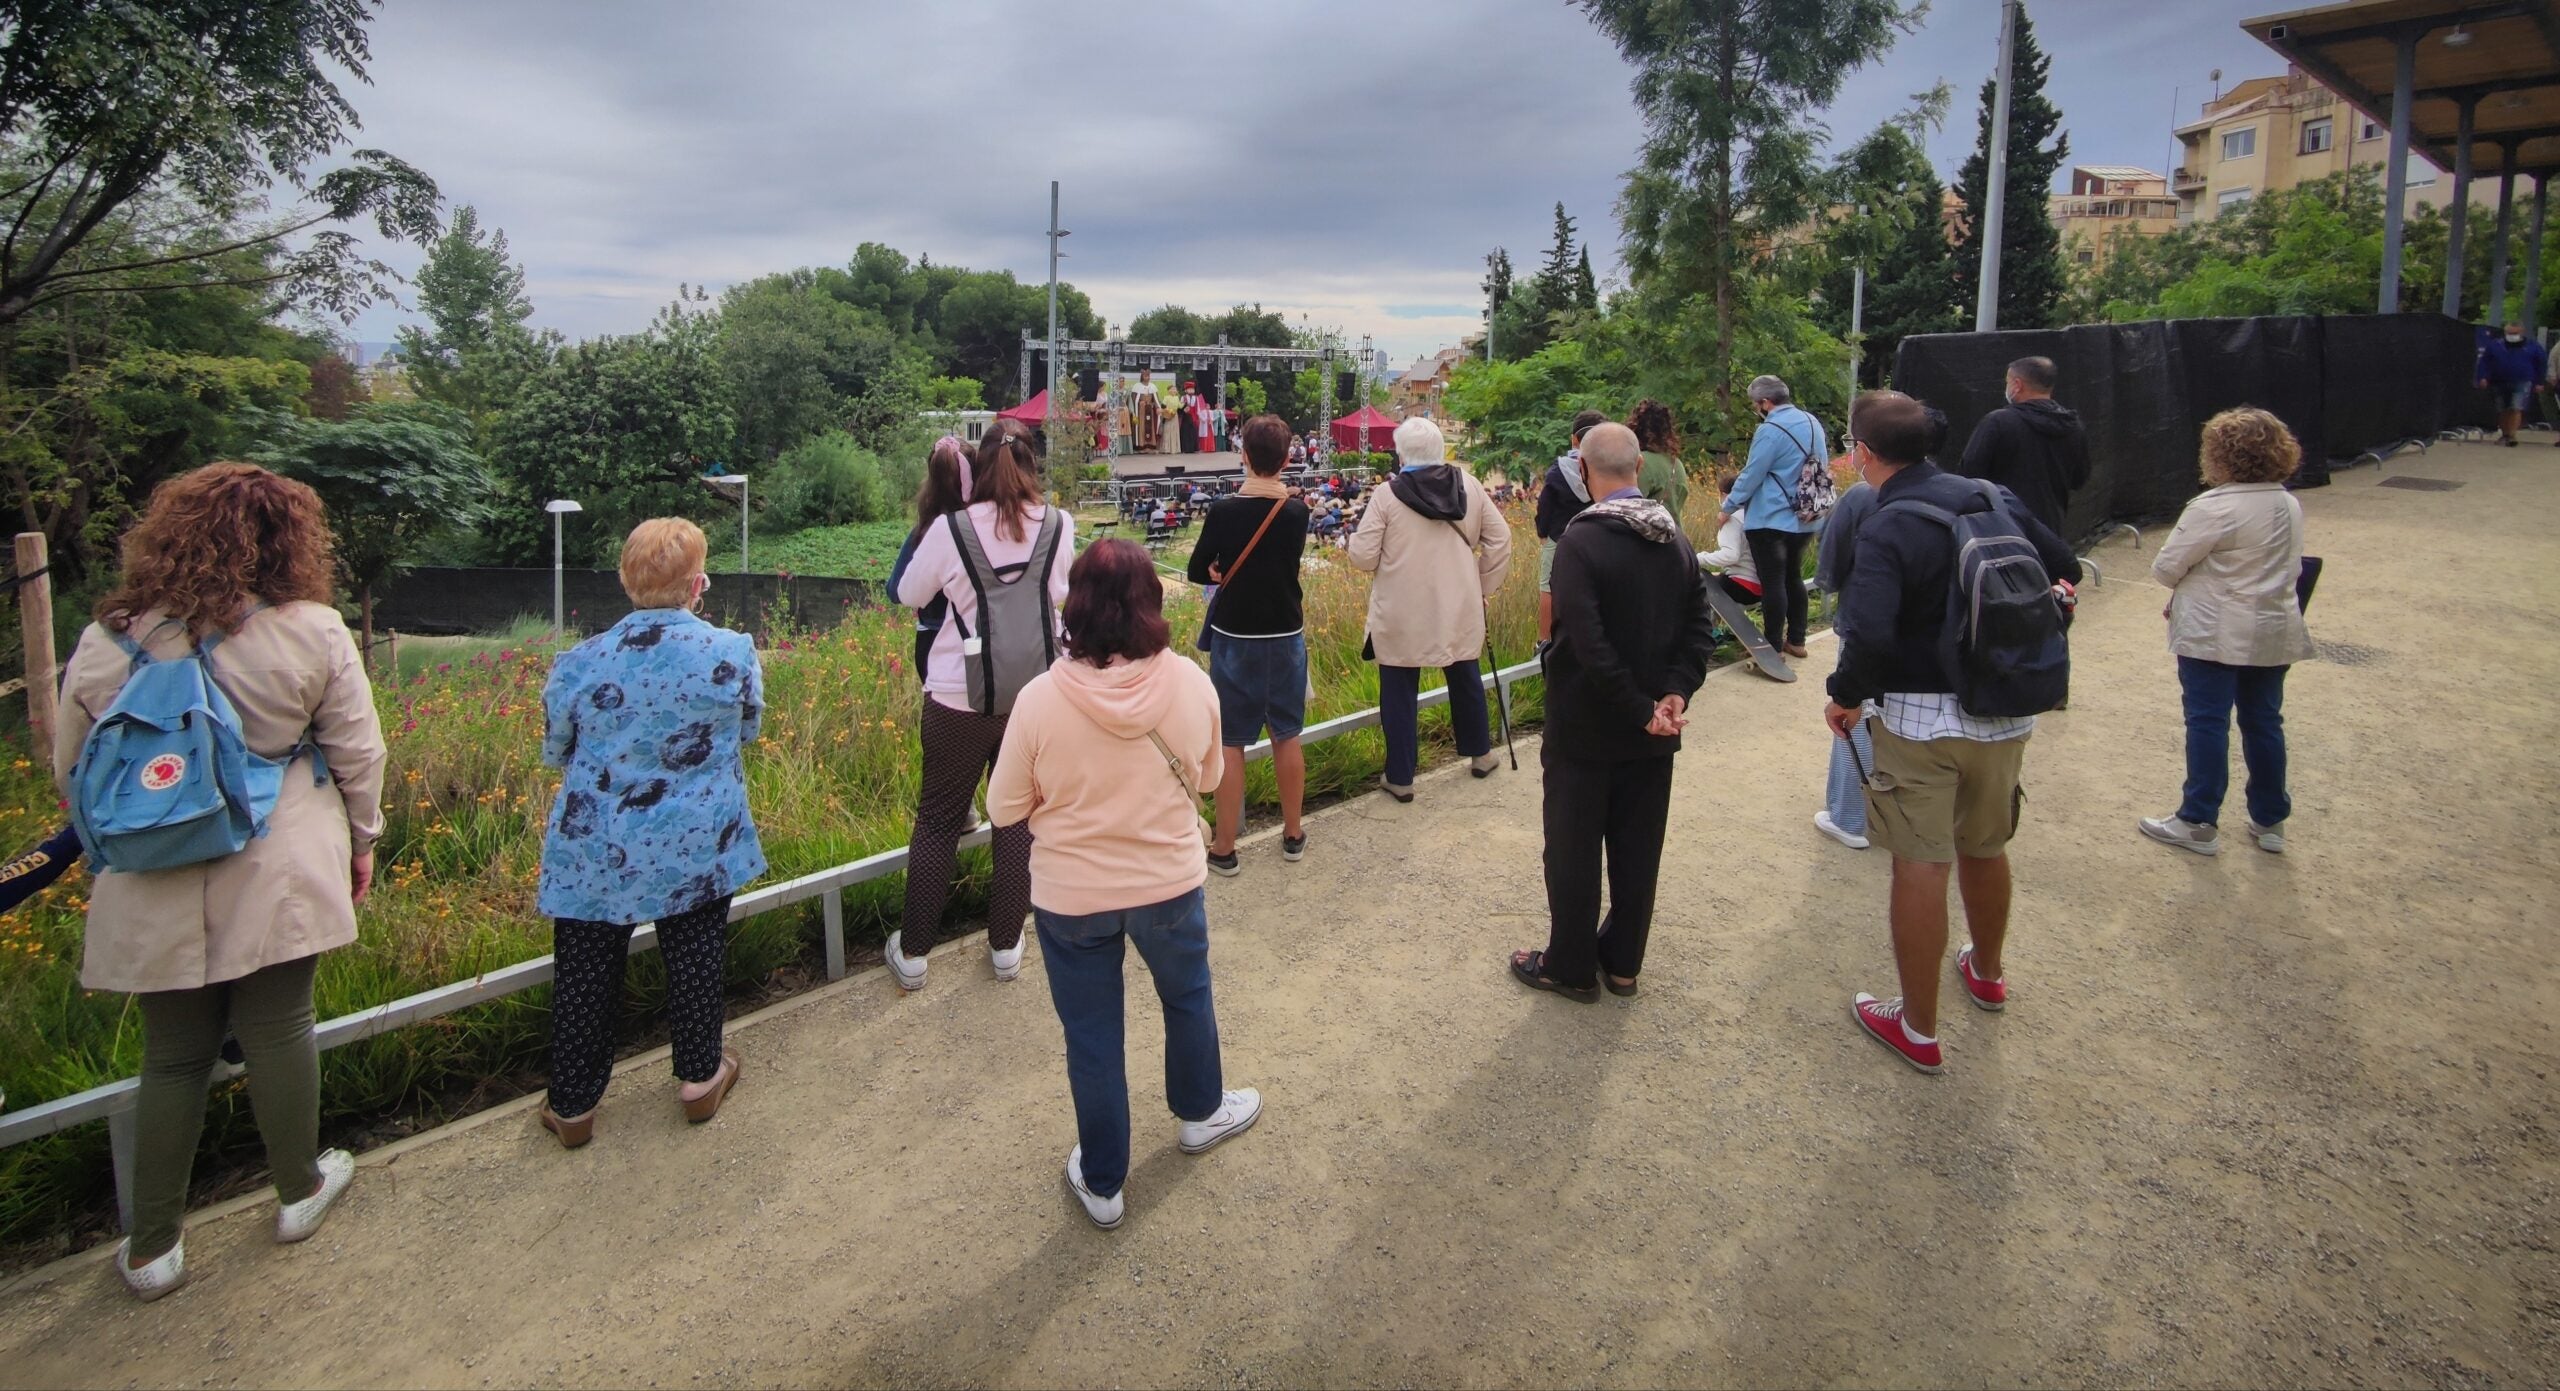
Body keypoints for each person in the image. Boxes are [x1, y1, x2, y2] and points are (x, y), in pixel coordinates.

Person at [56, 462, 386, 1300]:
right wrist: (363, 837)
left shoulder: (108, 641)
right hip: (276, 850)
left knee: (171, 1055)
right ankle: (298, 1189)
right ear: (288, 539)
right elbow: (359, 751)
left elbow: (75, 768)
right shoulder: (309, 628)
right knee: (280, 1025)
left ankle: (153, 1244)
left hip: (150, 863)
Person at [988, 539, 1262, 1230]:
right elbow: (1206, 778)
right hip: (1168, 881)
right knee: (1187, 996)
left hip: (1070, 896)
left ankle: (1105, 1180)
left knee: (1093, 1034)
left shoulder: (1041, 699)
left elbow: (1003, 809)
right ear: (1152, 601)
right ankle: (1200, 1112)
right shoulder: (1191, 683)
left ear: (1073, 605)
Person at [1823, 391, 2081, 1076]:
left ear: (1864, 454)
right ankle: (1988, 972)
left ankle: (1918, 1025)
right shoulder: (1989, 496)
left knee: (1920, 860)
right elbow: (2067, 566)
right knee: (1987, 843)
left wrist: (1843, 697)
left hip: (1919, 719)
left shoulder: (1887, 521)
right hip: (2005, 703)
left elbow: (1868, 633)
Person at [537, 517, 763, 1146]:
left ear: (625, 581)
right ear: (698, 584)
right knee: (695, 955)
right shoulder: (730, 652)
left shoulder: (579, 663)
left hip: (596, 846)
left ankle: (574, 1106)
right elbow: (746, 730)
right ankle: (698, 1079)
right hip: (694, 842)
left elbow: (556, 750)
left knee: (585, 971)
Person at [1509, 424, 1716, 1001]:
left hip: (1589, 726)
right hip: (1656, 728)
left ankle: (1570, 965)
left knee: (1573, 847)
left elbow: (1586, 643)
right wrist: (1674, 695)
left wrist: (1637, 707)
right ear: (1639, 470)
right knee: (1638, 845)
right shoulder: (1671, 538)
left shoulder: (1582, 540)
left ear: (1582, 468)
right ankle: (1623, 962)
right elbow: (1701, 627)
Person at [891, 419, 1073, 991]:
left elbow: (908, 594)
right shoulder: (1059, 525)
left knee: (940, 820)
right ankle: (1006, 945)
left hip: (955, 697)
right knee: (1017, 816)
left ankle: (915, 952)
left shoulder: (950, 529)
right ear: (1031, 466)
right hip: (1035, 697)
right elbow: (1062, 595)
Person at [2138, 408, 2316, 857]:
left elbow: (2166, 567)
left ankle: (2197, 819)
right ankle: (2270, 819)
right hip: (2272, 627)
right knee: (2264, 719)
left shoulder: (2215, 506)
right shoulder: (2286, 501)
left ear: (2220, 455)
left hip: (2215, 631)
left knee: (2207, 720)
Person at [1348, 416, 1513, 802]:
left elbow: (1362, 558)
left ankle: (1401, 776)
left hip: (1402, 611)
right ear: (1441, 450)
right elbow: (1500, 540)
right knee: (1465, 674)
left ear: (1400, 452)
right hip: (1458, 604)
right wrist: (1481, 587)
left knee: (1400, 691)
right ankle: (1481, 754)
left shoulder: (1387, 497)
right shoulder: (1470, 486)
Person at [1187, 413, 1311, 875]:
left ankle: (1224, 846)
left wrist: (1219, 570)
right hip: (1285, 635)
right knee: (1287, 733)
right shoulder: (1296, 512)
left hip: (1235, 637)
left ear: (1243, 456)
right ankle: (1293, 833)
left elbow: (1199, 570)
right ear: (1285, 459)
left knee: (1231, 743)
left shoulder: (1223, 512)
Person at [1726, 375, 1825, 661]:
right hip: (1806, 516)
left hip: (1771, 518)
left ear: (1765, 403)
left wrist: (1729, 506)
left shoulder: (1770, 429)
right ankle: (1797, 640)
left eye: (1755, 404)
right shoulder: (1811, 422)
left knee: (1773, 583)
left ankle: (1771, 648)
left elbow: (1753, 473)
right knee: (1793, 576)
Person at [1955, 355, 2091, 537]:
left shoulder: (1998, 422)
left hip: (2002, 529)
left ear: (2017, 385)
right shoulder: (2073, 426)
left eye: (2007, 381)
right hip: (2050, 530)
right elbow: (2079, 479)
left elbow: (1968, 473)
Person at [887, 436, 973, 680]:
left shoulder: (925, 532)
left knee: (938, 713)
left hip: (933, 637)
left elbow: (895, 590)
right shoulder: (985, 531)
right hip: (981, 639)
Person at [1535, 408, 1610, 643]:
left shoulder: (1558, 470)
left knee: (1548, 587)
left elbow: (1545, 505)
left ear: (1573, 439)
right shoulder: (1607, 469)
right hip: (1598, 537)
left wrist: (1542, 532)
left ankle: (1544, 641)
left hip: (1559, 537)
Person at [2476, 321, 2548, 447]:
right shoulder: (2495, 345)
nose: (2511, 335)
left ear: (2521, 332)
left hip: (2522, 381)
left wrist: (2539, 382)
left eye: (2514, 333)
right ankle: (2505, 434)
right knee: (2502, 410)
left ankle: (2512, 434)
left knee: (2516, 407)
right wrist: (2482, 377)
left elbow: (2541, 364)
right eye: (2508, 333)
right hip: (2499, 381)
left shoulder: (2532, 346)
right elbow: (2484, 362)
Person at [1698, 473, 1761, 609]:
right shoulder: (1753, 515)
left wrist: (1698, 558)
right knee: (1716, 576)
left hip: (1741, 586)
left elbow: (1730, 555)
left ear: (1724, 494)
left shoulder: (1732, 519)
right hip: (1760, 587)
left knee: (1694, 581)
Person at [1630, 398, 1690, 519]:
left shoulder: (1641, 462)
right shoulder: (1677, 464)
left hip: (1646, 535)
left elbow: (1630, 506)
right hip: (1675, 534)